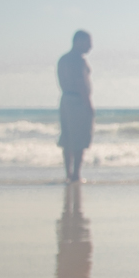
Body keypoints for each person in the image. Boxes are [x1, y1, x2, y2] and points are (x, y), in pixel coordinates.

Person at [56, 31, 94, 182]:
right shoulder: (78, 60)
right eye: (88, 42)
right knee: (79, 138)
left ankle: (68, 174)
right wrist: (88, 104)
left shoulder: (63, 59)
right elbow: (81, 82)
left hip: (65, 99)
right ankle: (76, 175)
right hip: (77, 100)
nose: (91, 46)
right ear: (78, 41)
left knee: (68, 139)